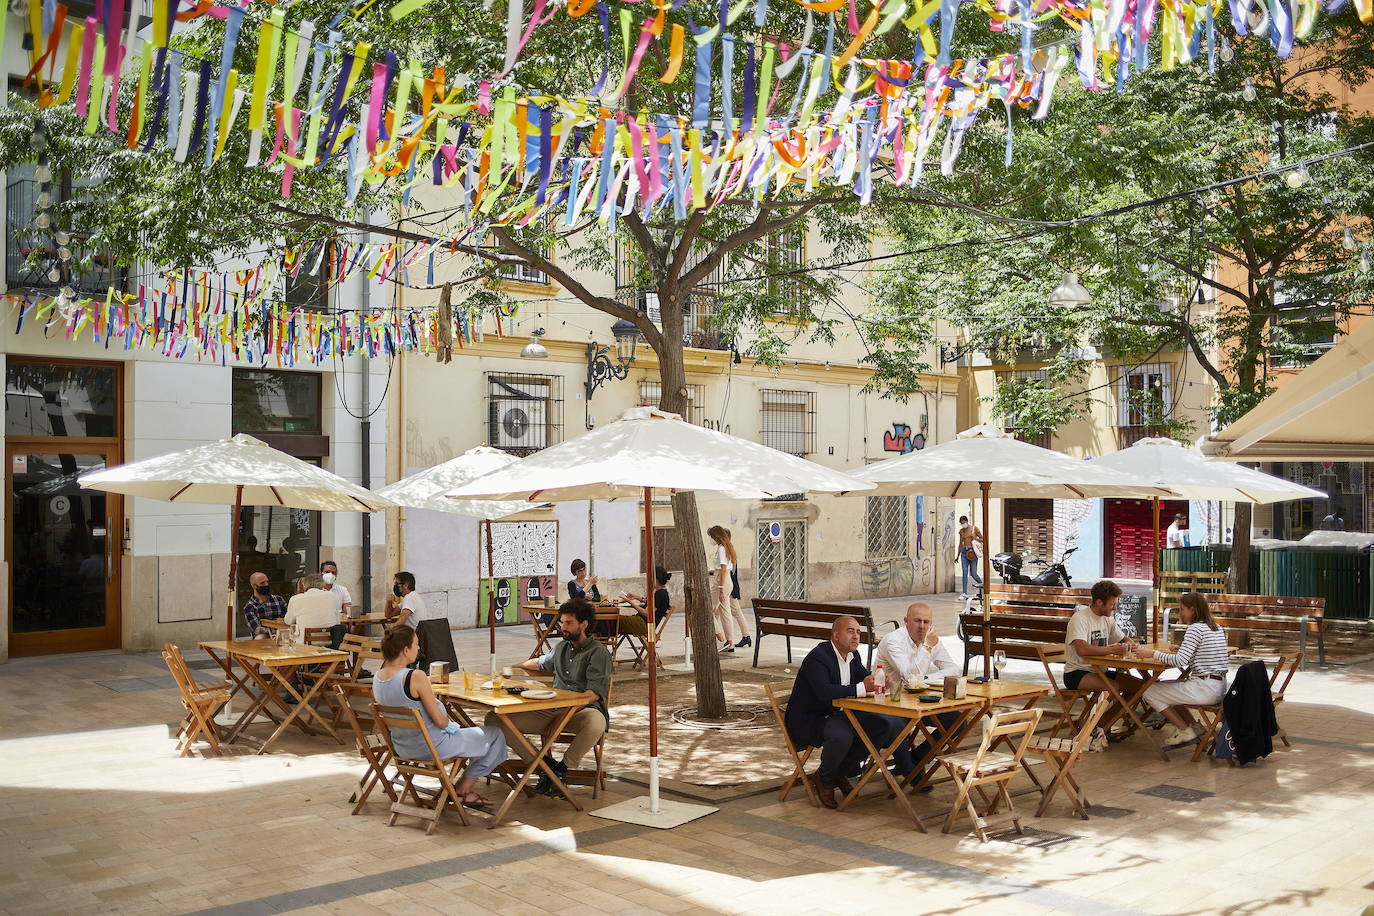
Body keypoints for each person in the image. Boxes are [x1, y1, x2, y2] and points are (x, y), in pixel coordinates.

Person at [372, 627, 507, 809]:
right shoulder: (415, 677)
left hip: (403, 748)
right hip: (433, 747)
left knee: (475, 735)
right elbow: (441, 722)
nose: (419, 649)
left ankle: (457, 789)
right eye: (417, 645)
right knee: (494, 734)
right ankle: (464, 790)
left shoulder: (377, 677)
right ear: (406, 650)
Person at [497, 598, 611, 798]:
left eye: (569, 623)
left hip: (580, 713)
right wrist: (513, 667)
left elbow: (592, 694)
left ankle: (562, 768)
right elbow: (540, 663)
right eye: (562, 622)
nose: (563, 627)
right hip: (551, 709)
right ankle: (543, 765)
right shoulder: (561, 648)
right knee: (495, 719)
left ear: (583, 625)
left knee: (597, 721)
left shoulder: (598, 652)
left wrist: (564, 715)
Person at [783, 616, 887, 810]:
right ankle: (825, 779)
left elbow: (863, 678)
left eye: (858, 631)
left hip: (836, 715)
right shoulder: (819, 657)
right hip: (809, 719)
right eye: (850, 631)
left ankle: (839, 771)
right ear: (836, 635)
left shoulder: (852, 656)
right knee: (842, 735)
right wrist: (862, 687)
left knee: (879, 725)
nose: (856, 636)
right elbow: (823, 692)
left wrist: (878, 681)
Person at [873, 603, 961, 781]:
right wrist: (927, 648)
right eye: (917, 621)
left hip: (916, 702)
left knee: (958, 720)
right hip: (890, 703)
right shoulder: (893, 641)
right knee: (899, 725)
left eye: (926, 622)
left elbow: (952, 669)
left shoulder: (930, 639)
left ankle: (917, 758)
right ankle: (911, 772)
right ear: (906, 622)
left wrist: (926, 680)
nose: (922, 626)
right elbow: (910, 675)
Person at [1137, 592, 1230, 750]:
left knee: (1149, 691)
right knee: (1168, 686)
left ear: (1193, 610)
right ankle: (1194, 726)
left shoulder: (1195, 629)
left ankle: (1184, 730)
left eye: (1182, 609)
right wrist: (1183, 649)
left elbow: (1181, 661)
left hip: (1205, 688)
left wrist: (1153, 654)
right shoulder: (1216, 627)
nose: (1180, 613)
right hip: (1219, 687)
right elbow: (1203, 652)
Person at [1063, 579, 1143, 733]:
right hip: (1077, 672)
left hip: (1101, 670)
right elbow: (1082, 650)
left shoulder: (1108, 618)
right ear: (1099, 602)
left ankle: (1101, 722)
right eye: (1112, 604)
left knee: (1140, 687)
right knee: (1113, 688)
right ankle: (1091, 727)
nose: (1115, 607)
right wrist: (1113, 651)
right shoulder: (1080, 618)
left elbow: (1123, 638)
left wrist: (1131, 645)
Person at [708, 525, 751, 653]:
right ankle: (730, 643)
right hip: (726, 581)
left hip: (721, 581)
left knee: (708, 610)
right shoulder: (728, 548)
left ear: (716, 536)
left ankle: (721, 639)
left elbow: (723, 569)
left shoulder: (721, 549)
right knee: (725, 613)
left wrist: (720, 588)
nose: (711, 539)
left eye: (711, 536)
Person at [284, 573, 344, 643]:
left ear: (304, 585)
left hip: (305, 644)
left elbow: (288, 621)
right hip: (330, 643)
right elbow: (337, 621)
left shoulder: (295, 599)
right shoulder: (331, 596)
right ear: (323, 584)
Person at [621, 566, 671, 638]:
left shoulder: (660, 594)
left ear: (655, 579)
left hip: (644, 625)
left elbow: (647, 613)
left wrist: (630, 602)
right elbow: (651, 603)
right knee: (613, 620)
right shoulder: (661, 592)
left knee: (615, 620)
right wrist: (636, 597)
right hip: (641, 622)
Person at [242, 571, 287, 638]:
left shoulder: (279, 599)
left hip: (283, 633)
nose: (266, 584)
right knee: (260, 637)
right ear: (254, 586)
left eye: (267, 582)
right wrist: (271, 629)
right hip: (265, 636)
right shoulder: (249, 607)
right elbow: (257, 629)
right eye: (262, 583)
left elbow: (288, 618)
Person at [958, 516, 983, 599]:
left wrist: (975, 538)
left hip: (973, 553)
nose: (962, 525)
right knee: (964, 573)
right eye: (961, 523)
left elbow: (983, 539)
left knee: (973, 573)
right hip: (964, 553)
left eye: (963, 523)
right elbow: (960, 543)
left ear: (967, 521)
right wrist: (957, 556)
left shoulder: (974, 529)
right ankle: (964, 592)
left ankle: (983, 586)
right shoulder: (961, 531)